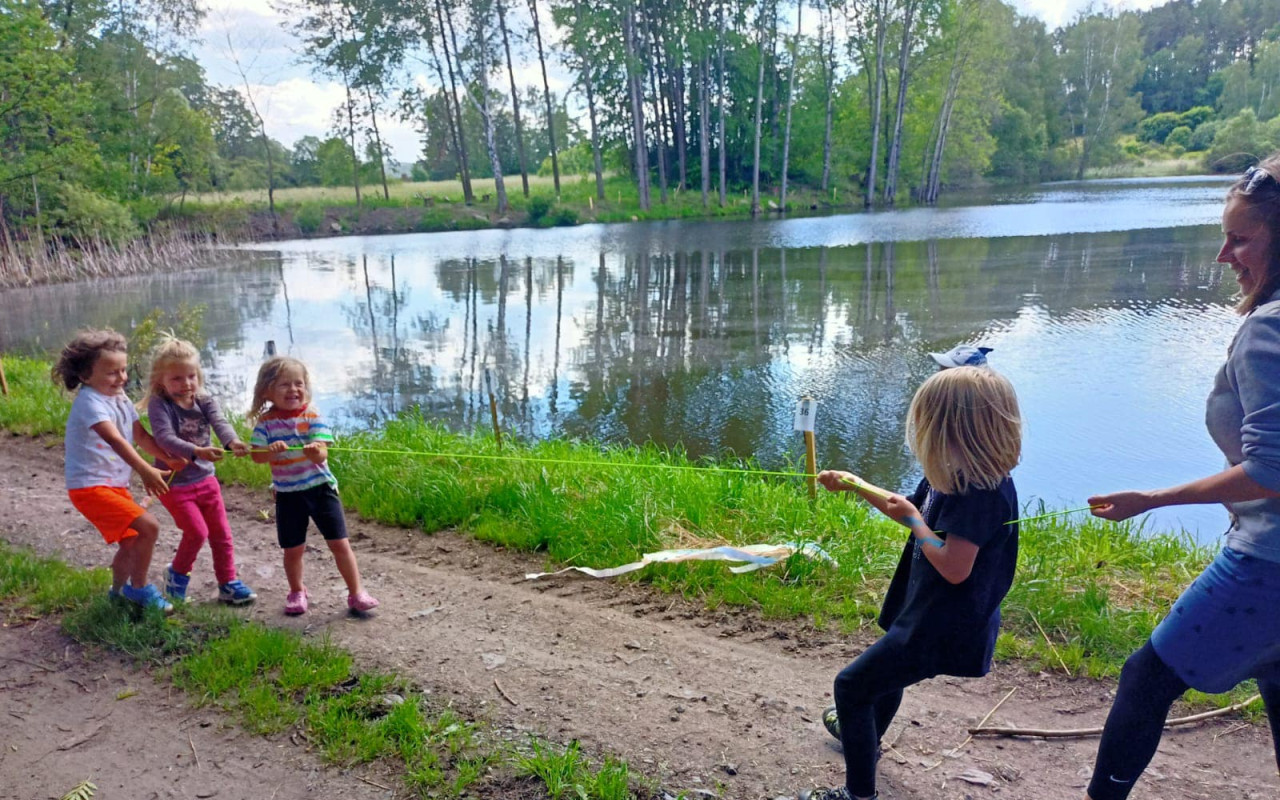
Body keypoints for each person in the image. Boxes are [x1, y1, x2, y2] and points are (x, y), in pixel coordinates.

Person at [1081, 154, 1280, 800]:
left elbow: (1272, 472)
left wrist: (1151, 499)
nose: (1225, 255)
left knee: (1145, 678)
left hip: (1267, 564)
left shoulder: (1267, 330)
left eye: (1241, 237)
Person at [800, 366, 1022, 800]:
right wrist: (854, 484)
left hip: (942, 626)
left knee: (851, 687)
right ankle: (863, 737)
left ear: (953, 429)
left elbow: (955, 566)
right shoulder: (953, 474)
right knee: (882, 682)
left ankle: (857, 793)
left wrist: (916, 524)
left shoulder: (979, 492)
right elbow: (907, 506)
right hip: (926, 611)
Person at [52, 329, 179, 613]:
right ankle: (139, 589)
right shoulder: (89, 403)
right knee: (149, 527)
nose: (121, 378)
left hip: (113, 485)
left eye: (123, 370)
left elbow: (142, 438)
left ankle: (118, 592)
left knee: (132, 540)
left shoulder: (119, 397)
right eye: (111, 373)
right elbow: (115, 439)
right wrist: (146, 470)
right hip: (89, 487)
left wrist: (168, 459)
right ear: (86, 375)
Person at [247, 356, 379, 616]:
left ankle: (356, 592)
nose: (294, 390)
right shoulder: (265, 423)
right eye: (285, 384)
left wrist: (315, 451)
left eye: (299, 383)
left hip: (321, 490)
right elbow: (256, 456)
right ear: (267, 391)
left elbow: (322, 454)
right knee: (293, 549)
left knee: (340, 544)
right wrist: (270, 451)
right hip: (288, 494)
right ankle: (297, 590)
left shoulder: (312, 414)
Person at [143, 336, 257, 605]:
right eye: (177, 379)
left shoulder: (204, 399)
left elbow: (220, 422)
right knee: (196, 532)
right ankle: (176, 575)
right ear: (161, 381)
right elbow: (164, 438)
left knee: (221, 533)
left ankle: (228, 583)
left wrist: (232, 442)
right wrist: (197, 452)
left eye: (191, 376)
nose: (186, 384)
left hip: (206, 480)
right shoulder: (160, 405)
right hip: (174, 484)